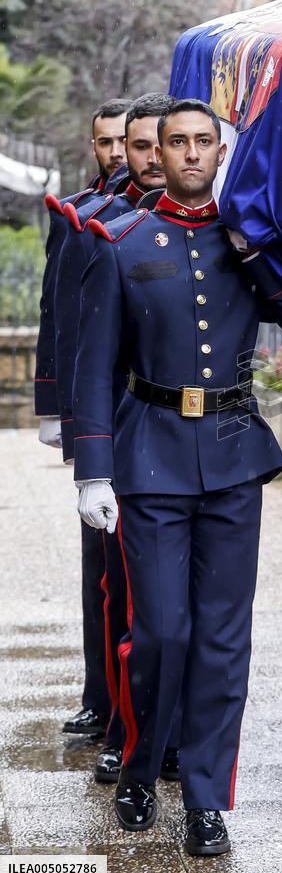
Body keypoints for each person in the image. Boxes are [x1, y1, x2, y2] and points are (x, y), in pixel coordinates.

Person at [72, 98, 282, 856]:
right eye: (175, 141)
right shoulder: (120, 242)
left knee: (221, 635)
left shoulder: (247, 240)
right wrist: (93, 472)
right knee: (160, 630)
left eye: (201, 142)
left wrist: (254, 253)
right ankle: (145, 766)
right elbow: (92, 370)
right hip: (149, 452)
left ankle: (208, 797)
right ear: (161, 150)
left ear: (221, 154)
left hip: (230, 448)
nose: (187, 153)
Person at [54, 93, 174, 784]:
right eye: (127, 145)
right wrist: (69, 422)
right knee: (112, 580)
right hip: (120, 422)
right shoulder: (98, 225)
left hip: (179, 430)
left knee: (166, 600)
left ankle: (163, 727)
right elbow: (70, 326)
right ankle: (115, 713)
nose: (146, 157)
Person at [34, 97, 132, 736]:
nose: (119, 154)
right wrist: (53, 406)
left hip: (145, 402)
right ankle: (100, 695)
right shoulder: (78, 216)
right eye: (106, 143)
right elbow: (56, 312)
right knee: (101, 567)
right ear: (93, 147)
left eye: (127, 141)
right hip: (98, 406)